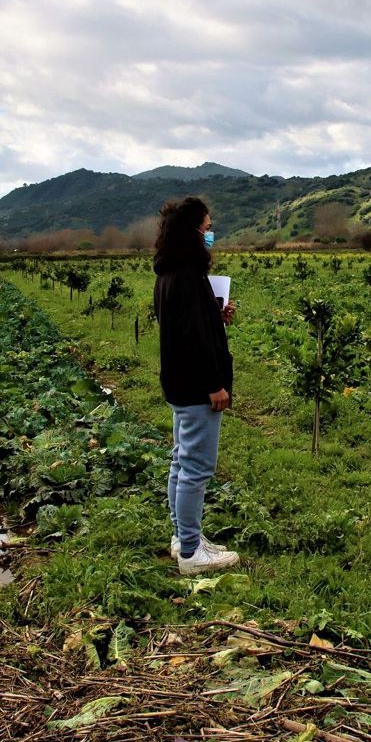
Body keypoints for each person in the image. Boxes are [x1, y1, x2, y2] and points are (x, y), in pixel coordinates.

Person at [153, 196, 240, 575]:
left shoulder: (168, 273)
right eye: (206, 228)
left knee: (180, 461)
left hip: (178, 383)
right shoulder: (189, 276)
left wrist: (217, 314)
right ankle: (191, 551)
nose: (210, 234)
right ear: (192, 232)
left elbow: (190, 326)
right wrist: (215, 384)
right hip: (196, 387)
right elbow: (194, 339)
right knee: (196, 468)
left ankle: (182, 536)